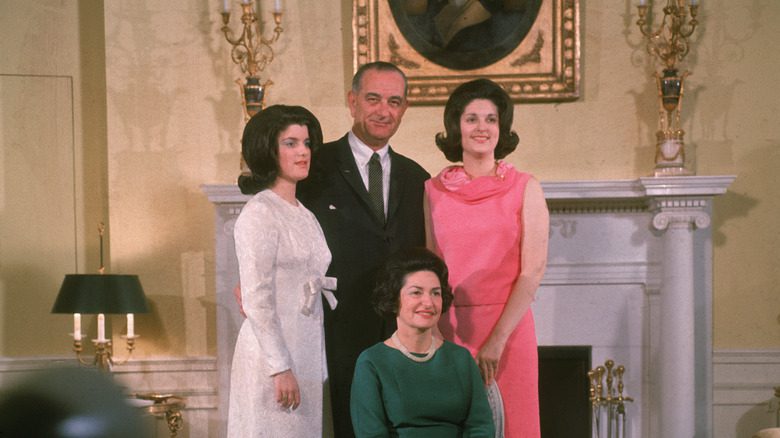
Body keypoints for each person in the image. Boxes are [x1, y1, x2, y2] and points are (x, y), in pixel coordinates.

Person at [296, 61, 430, 438]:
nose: (383, 110)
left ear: (403, 109)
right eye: (373, 99)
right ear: (352, 101)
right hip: (337, 329)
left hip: (400, 331)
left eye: (394, 101)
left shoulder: (417, 177)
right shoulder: (315, 168)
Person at [425, 78, 549, 437]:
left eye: (491, 119)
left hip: (509, 332)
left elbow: (531, 273)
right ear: (456, 127)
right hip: (449, 331)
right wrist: (433, 336)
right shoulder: (431, 190)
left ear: (502, 128)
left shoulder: (526, 186)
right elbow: (432, 271)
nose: (482, 128)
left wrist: (496, 341)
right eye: (471, 118)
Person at [228, 105, 336, 437]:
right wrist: (280, 367)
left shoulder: (303, 212)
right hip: (271, 358)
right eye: (291, 143)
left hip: (304, 349)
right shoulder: (259, 212)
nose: (303, 151)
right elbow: (257, 299)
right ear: (268, 150)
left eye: (306, 143)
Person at [351, 247, 495, 437]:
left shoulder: (461, 359)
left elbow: (481, 427)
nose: (428, 302)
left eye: (435, 293)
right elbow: (371, 433)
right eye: (416, 293)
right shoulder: (372, 362)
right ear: (394, 299)